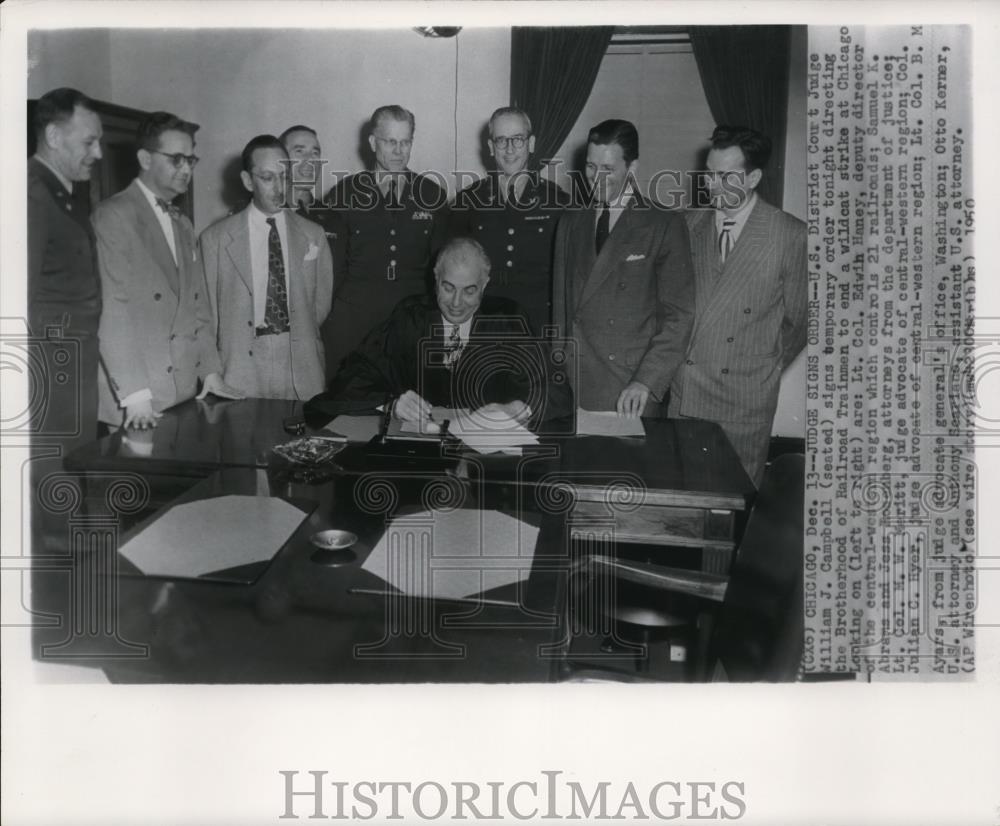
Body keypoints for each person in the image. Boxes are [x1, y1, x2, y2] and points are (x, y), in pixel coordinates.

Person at [305, 237, 572, 428]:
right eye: (448, 287)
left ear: (485, 284)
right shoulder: (411, 318)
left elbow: (558, 389)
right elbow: (350, 378)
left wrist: (516, 408)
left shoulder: (508, 321)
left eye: (469, 290)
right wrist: (391, 403)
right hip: (418, 462)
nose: (456, 303)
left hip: (484, 467)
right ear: (435, 278)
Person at [668, 126, 807, 486]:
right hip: (686, 397)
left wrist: (757, 367)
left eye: (725, 176)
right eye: (708, 173)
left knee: (731, 509)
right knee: (683, 506)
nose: (711, 184)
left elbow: (799, 322)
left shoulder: (788, 235)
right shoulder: (687, 224)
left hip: (741, 402)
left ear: (753, 177)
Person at [93, 111, 242, 429]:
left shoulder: (183, 223)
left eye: (191, 159)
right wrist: (135, 396)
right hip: (138, 402)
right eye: (176, 159)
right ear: (145, 158)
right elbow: (112, 313)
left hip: (183, 392)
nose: (186, 168)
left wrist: (211, 373)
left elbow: (198, 308)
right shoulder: (113, 216)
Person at [552, 119, 695, 417]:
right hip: (575, 385)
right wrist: (558, 370)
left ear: (632, 169)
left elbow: (679, 317)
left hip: (630, 391)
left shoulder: (664, 224)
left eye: (608, 169)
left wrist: (646, 381)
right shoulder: (571, 220)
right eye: (591, 167)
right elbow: (561, 309)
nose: (596, 178)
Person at [199, 135, 334, 400]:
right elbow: (206, 316)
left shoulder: (313, 234)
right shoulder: (214, 239)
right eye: (267, 178)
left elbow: (320, 305)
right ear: (248, 181)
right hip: (239, 365)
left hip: (300, 365)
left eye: (284, 176)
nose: (279, 188)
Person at [322, 105, 449, 379]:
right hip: (353, 322)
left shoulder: (432, 194)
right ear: (372, 142)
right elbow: (332, 272)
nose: (398, 150)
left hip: (411, 323)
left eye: (405, 142)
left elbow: (439, 270)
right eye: (390, 141)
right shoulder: (343, 194)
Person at [28, 87, 104, 453]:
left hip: (71, 376)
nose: (98, 153)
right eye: (89, 142)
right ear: (54, 137)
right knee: (50, 493)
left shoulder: (63, 194)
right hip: (47, 384)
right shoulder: (30, 194)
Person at [449, 106, 571, 333]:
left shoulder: (558, 202)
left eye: (517, 139)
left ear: (531, 144)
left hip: (539, 323)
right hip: (484, 322)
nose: (509, 149)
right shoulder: (467, 201)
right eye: (501, 140)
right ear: (490, 147)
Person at [279, 124, 326, 221]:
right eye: (299, 151)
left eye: (315, 153)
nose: (310, 159)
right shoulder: (265, 213)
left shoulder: (333, 218)